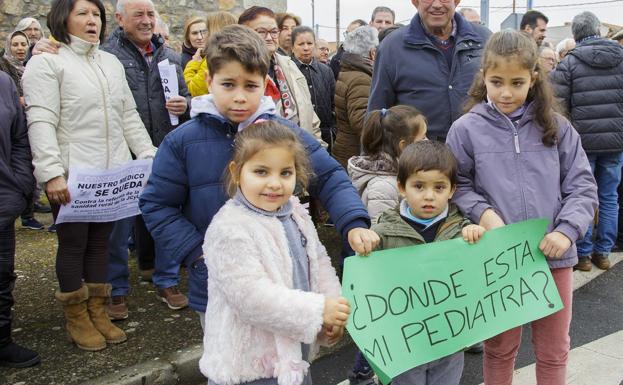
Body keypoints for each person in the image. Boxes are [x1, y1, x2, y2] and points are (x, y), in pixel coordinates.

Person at [139, 24, 378, 328]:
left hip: (284, 281)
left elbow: (330, 176)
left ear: (264, 84)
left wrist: (352, 222)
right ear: (210, 81)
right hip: (218, 287)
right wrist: (198, 255)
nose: (239, 97)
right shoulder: (182, 142)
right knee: (232, 365)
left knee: (290, 363)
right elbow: (157, 205)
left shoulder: (283, 134)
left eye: (250, 86)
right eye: (228, 85)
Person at [446, 30, 598, 385]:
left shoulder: (558, 128)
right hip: (497, 260)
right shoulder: (465, 129)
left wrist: (566, 230)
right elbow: (458, 186)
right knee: (499, 348)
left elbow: (582, 186)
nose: (506, 93)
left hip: (553, 258)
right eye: (496, 82)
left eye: (517, 82)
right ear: (483, 76)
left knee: (553, 349)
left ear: (533, 77)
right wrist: (484, 214)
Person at [22, 0, 157, 351]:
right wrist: (51, 173)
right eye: (82, 13)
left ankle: (98, 311)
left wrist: (147, 155)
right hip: (73, 174)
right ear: (62, 18)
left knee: (101, 244)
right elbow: (41, 120)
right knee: (73, 244)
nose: (91, 20)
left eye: (95, 14)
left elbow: (128, 115)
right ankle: (76, 318)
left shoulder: (109, 63)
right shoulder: (47, 62)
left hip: (110, 174)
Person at [200, 120, 349, 385]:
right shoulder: (229, 228)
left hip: (292, 358)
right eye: (261, 172)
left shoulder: (295, 212)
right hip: (250, 368)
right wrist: (318, 310)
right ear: (237, 172)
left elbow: (319, 261)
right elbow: (251, 298)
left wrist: (331, 308)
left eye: (285, 173)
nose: (274, 183)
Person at [371, 140, 486, 385]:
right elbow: (368, 285)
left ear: (452, 190)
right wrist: (366, 247)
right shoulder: (384, 232)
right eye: (419, 186)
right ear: (401, 187)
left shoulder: (461, 229)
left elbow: (476, 276)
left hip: (449, 337)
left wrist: (474, 236)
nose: (429, 196)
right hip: (405, 341)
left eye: (439, 187)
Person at [551, 12, 623, 272]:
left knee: (579, 196)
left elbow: (557, 107)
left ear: (575, 35)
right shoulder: (621, 58)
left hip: (581, 144)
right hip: (615, 142)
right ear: (600, 31)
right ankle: (603, 252)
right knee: (609, 196)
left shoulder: (569, 63)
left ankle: (582, 256)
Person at [368, 0, 491, 141]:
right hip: (418, 158)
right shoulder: (392, 47)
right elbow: (376, 113)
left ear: (456, 1)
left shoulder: (484, 39)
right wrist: (371, 159)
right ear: (415, 2)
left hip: (477, 153)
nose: (437, 4)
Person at [0, 72, 40, 368]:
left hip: (2, 200)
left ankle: (1, 341)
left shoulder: (3, 83)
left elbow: (19, 140)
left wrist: (19, 187)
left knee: (2, 277)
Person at [238, 6, 321, 142]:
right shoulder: (235, 71)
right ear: (244, 34)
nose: (269, 37)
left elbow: (310, 117)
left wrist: (317, 147)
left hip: (299, 149)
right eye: (261, 32)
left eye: (274, 31)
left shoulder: (289, 65)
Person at [348, 105, 428, 223]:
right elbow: (383, 231)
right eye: (423, 138)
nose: (428, 142)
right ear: (404, 146)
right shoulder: (383, 187)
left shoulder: (402, 171)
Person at [332, 25, 378, 168]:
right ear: (372, 53)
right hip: (354, 153)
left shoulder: (351, 71)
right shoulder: (361, 79)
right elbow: (361, 122)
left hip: (347, 150)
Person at [291, 26, 336, 150]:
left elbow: (333, 103)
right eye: (301, 44)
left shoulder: (326, 71)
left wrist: (333, 129)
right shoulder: (288, 70)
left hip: (325, 134)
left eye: (309, 43)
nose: (306, 48)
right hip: (297, 134)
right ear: (292, 47)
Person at [184, 11, 237, 97]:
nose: (202, 36)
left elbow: (194, 90)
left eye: (206, 31)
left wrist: (194, 63)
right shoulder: (239, 55)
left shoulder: (213, 58)